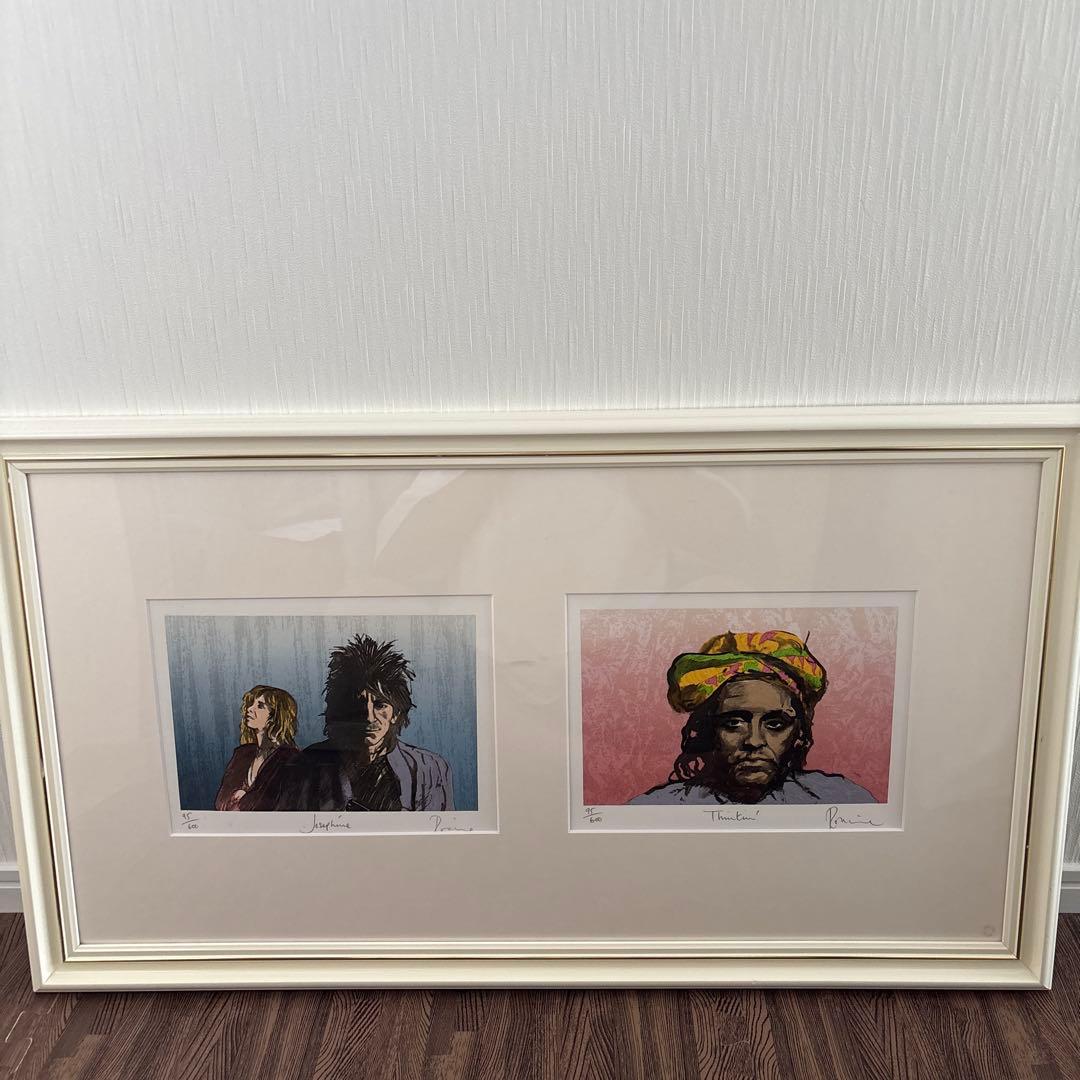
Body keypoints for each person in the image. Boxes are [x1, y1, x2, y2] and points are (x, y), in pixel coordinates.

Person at [630, 630, 875, 805]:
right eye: (733, 723)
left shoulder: (842, 800)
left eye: (775, 724)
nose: (754, 741)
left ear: (799, 734)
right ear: (708, 730)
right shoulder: (657, 809)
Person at [278, 634, 454, 812]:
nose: (369, 717)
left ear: (396, 713)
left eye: (380, 705)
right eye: (358, 705)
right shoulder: (306, 764)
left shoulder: (428, 768)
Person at [214, 685, 301, 810]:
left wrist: (243, 798)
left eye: (260, 706)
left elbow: (276, 805)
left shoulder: (290, 758)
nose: (249, 709)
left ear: (276, 716)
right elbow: (221, 801)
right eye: (251, 704)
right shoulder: (242, 754)